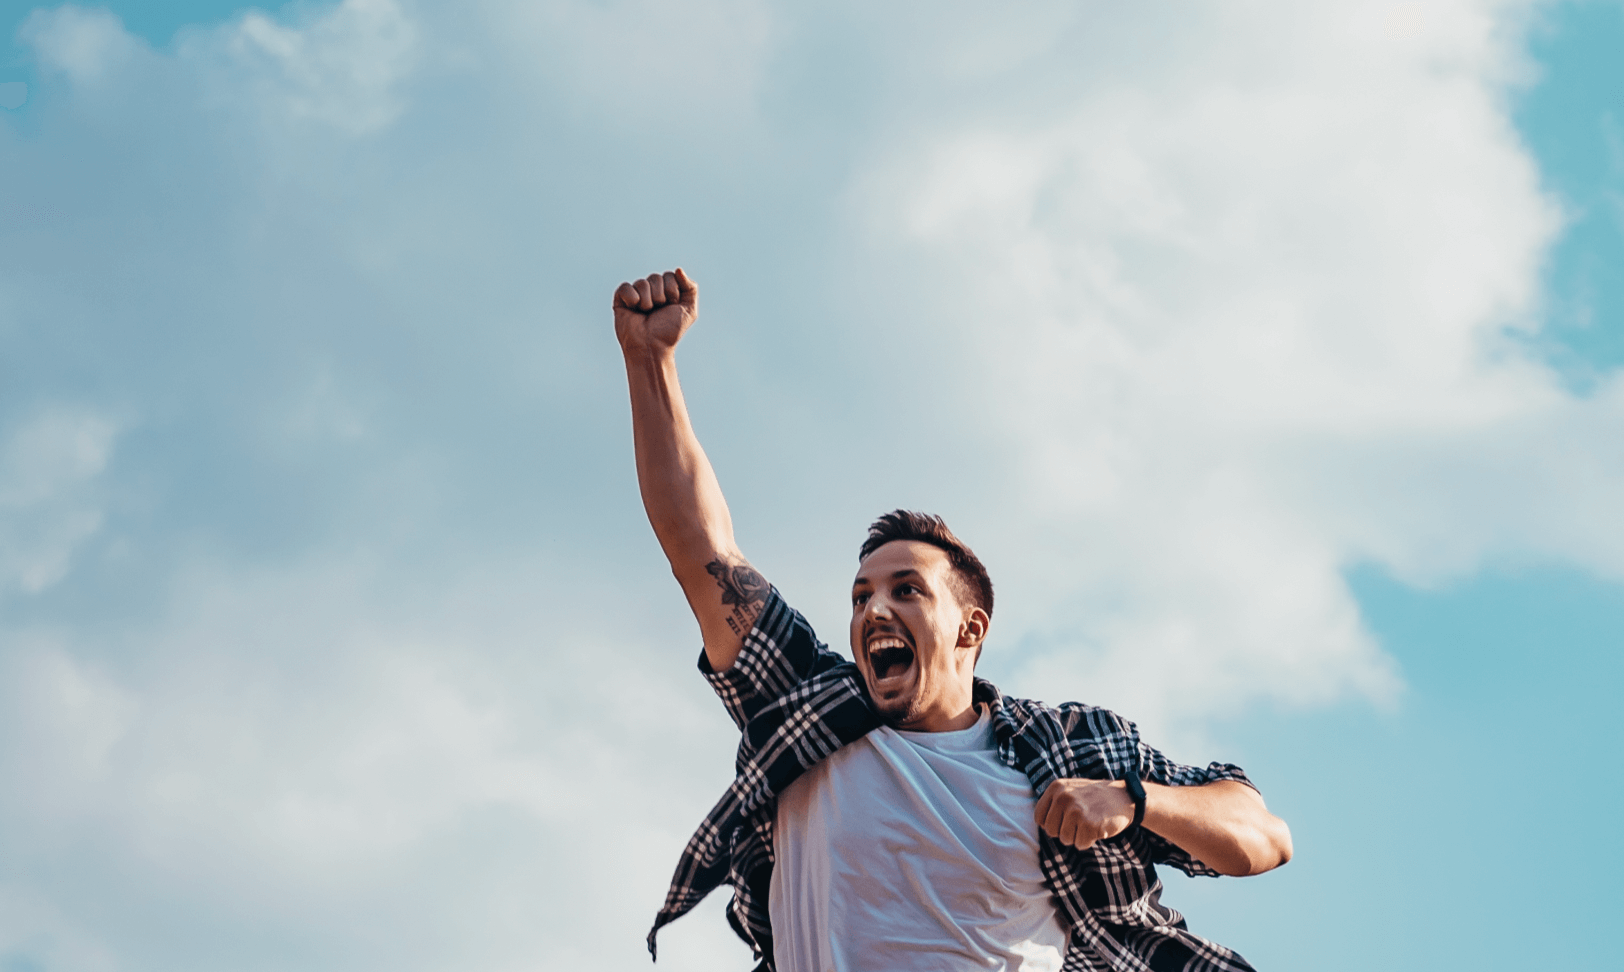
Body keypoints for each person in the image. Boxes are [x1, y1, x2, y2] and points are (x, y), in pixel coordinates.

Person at [615, 268, 1293, 972]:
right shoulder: (807, 707)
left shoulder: (1065, 754)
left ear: (970, 631)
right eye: (860, 596)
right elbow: (703, 551)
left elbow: (1263, 836)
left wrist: (1134, 800)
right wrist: (650, 361)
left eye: (907, 590)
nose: (874, 609)